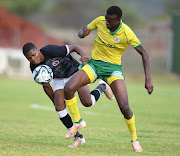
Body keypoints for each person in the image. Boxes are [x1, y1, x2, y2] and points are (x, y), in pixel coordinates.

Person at [64, 6, 153, 152]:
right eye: (106, 19)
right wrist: (82, 33)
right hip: (94, 65)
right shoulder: (100, 21)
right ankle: (78, 122)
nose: (106, 23)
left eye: (110, 21)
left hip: (113, 70)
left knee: (124, 107)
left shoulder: (127, 32)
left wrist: (148, 79)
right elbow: (81, 32)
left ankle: (135, 139)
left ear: (118, 20)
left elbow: (143, 53)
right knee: (68, 88)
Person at [22, 42, 114, 147]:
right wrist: (56, 102)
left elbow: (75, 47)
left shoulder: (49, 50)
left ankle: (102, 86)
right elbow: (46, 86)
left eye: (34, 55)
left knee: (87, 102)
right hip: (59, 79)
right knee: (60, 109)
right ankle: (78, 137)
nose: (33, 59)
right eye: (29, 58)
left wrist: (83, 56)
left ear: (37, 50)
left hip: (75, 72)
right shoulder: (34, 67)